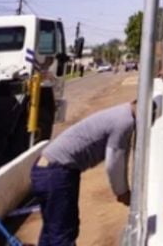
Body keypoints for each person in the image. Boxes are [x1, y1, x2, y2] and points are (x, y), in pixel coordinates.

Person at [30, 101, 137, 246]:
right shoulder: (124, 122)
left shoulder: (120, 112)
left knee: (52, 229)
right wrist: (122, 192)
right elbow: (114, 162)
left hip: (44, 169)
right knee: (62, 234)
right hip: (56, 172)